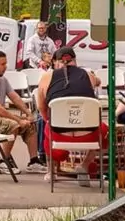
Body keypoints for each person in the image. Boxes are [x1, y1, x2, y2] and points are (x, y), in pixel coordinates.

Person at [35, 46, 105, 185]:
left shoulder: (46, 78)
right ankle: (84, 165)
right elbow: (98, 82)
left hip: (58, 134)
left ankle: (51, 171)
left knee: (46, 126)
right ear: (75, 60)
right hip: (88, 134)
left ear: (56, 62)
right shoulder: (88, 76)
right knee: (105, 130)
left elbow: (41, 107)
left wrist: (49, 120)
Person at [0, 50, 45, 172]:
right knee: (14, 125)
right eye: (2, 64)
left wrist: (28, 114)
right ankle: (3, 161)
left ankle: (34, 161)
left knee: (30, 124)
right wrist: (19, 121)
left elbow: (15, 98)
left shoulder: (2, 80)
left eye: (6, 64)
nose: (5, 67)